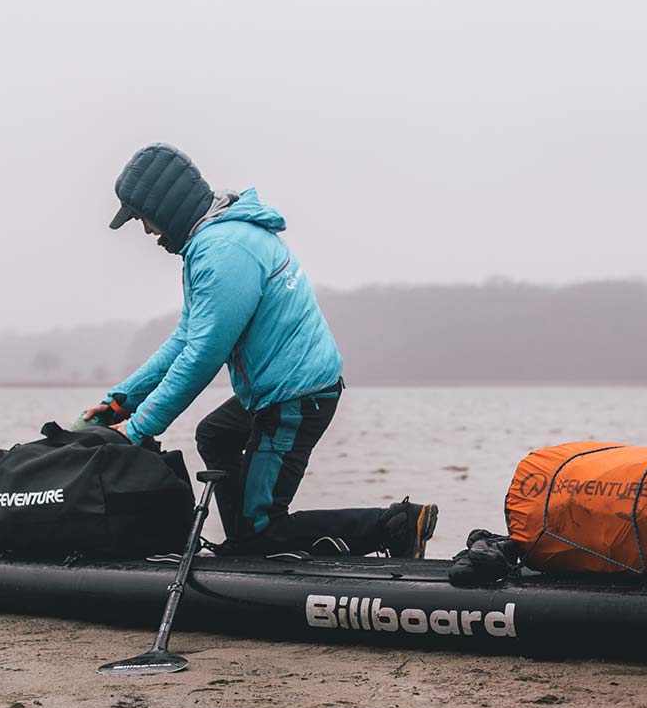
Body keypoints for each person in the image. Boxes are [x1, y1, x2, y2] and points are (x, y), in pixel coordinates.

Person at [83, 143, 438, 559]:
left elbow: (201, 357)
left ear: (165, 207)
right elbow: (185, 337)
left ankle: (395, 524)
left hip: (298, 397)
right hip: (280, 388)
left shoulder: (225, 252)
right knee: (214, 435)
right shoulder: (215, 240)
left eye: (143, 219)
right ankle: (246, 547)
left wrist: (140, 429)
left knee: (262, 525)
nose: (146, 231)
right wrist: (121, 401)